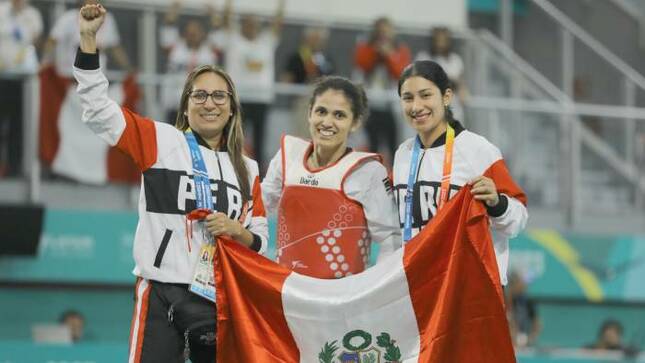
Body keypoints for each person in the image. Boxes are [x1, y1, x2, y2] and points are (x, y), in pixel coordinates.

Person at [75, 4, 268, 362]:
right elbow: (98, 111)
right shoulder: (160, 141)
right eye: (199, 95)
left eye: (219, 96)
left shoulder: (249, 168)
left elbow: (260, 240)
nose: (209, 103)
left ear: (232, 109)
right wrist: (88, 38)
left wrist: (235, 231)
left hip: (219, 297)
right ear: (186, 106)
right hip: (161, 290)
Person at [392, 60, 528, 285]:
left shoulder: (478, 150)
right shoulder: (402, 155)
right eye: (407, 98)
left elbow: (518, 219)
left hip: (469, 288)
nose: (416, 106)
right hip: (419, 286)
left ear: (446, 97)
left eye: (425, 95)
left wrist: (497, 203)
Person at [262, 76, 401, 278]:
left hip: (342, 302)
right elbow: (257, 212)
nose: (327, 122)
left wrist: (371, 289)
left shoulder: (368, 171)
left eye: (339, 115)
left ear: (355, 123)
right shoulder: (287, 156)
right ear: (309, 112)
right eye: (321, 111)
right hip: (287, 295)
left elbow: (391, 239)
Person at [212, 0, 285, 172]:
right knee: (235, 139)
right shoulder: (234, 39)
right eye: (248, 24)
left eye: (255, 25)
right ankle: (231, 171)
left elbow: (277, 22)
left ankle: (257, 177)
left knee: (259, 142)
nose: (252, 27)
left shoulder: (266, 41)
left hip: (262, 98)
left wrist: (281, 5)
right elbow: (227, 19)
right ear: (242, 25)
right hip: (239, 98)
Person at [354, 16, 411, 164]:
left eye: (387, 31)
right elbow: (363, 64)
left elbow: (401, 72)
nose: (384, 35)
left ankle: (393, 178)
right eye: (380, 31)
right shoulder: (366, 47)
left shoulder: (400, 50)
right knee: (371, 145)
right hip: (370, 105)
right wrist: (376, 51)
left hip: (391, 105)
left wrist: (389, 55)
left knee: (393, 145)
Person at [160, 0, 222, 123]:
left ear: (203, 34)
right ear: (184, 34)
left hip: (201, 107)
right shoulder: (175, 47)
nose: (192, 35)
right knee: (173, 140)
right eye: (189, 32)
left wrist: (213, 13)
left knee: (196, 141)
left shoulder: (209, 51)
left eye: (195, 32)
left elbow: (218, 30)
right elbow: (168, 25)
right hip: (175, 104)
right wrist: (176, 6)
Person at [0, 0, 43, 176]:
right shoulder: (1, 10)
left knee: (18, 126)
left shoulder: (33, 16)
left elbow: (36, 42)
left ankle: (14, 169)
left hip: (21, 80)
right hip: (1, 77)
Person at [42, 0, 132, 76]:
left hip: (97, 75)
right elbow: (52, 41)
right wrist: (45, 62)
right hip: (72, 77)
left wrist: (128, 69)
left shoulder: (108, 19)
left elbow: (114, 47)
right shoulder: (69, 17)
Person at [281, 26, 335, 138]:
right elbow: (287, 79)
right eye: (314, 38)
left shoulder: (325, 59)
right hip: (302, 101)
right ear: (306, 39)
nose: (317, 42)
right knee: (302, 135)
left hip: (323, 103)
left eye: (320, 39)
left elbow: (333, 79)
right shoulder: (297, 57)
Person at [416, 27, 467, 122]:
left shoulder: (455, 60)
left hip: (452, 108)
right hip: (430, 109)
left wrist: (461, 89)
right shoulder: (424, 57)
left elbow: (460, 83)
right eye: (437, 40)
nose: (440, 44)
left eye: (443, 40)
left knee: (451, 136)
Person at [506, 271, 541, 347]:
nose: (522, 286)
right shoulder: (505, 301)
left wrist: (529, 339)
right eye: (516, 283)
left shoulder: (527, 301)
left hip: (523, 342)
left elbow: (537, 324)